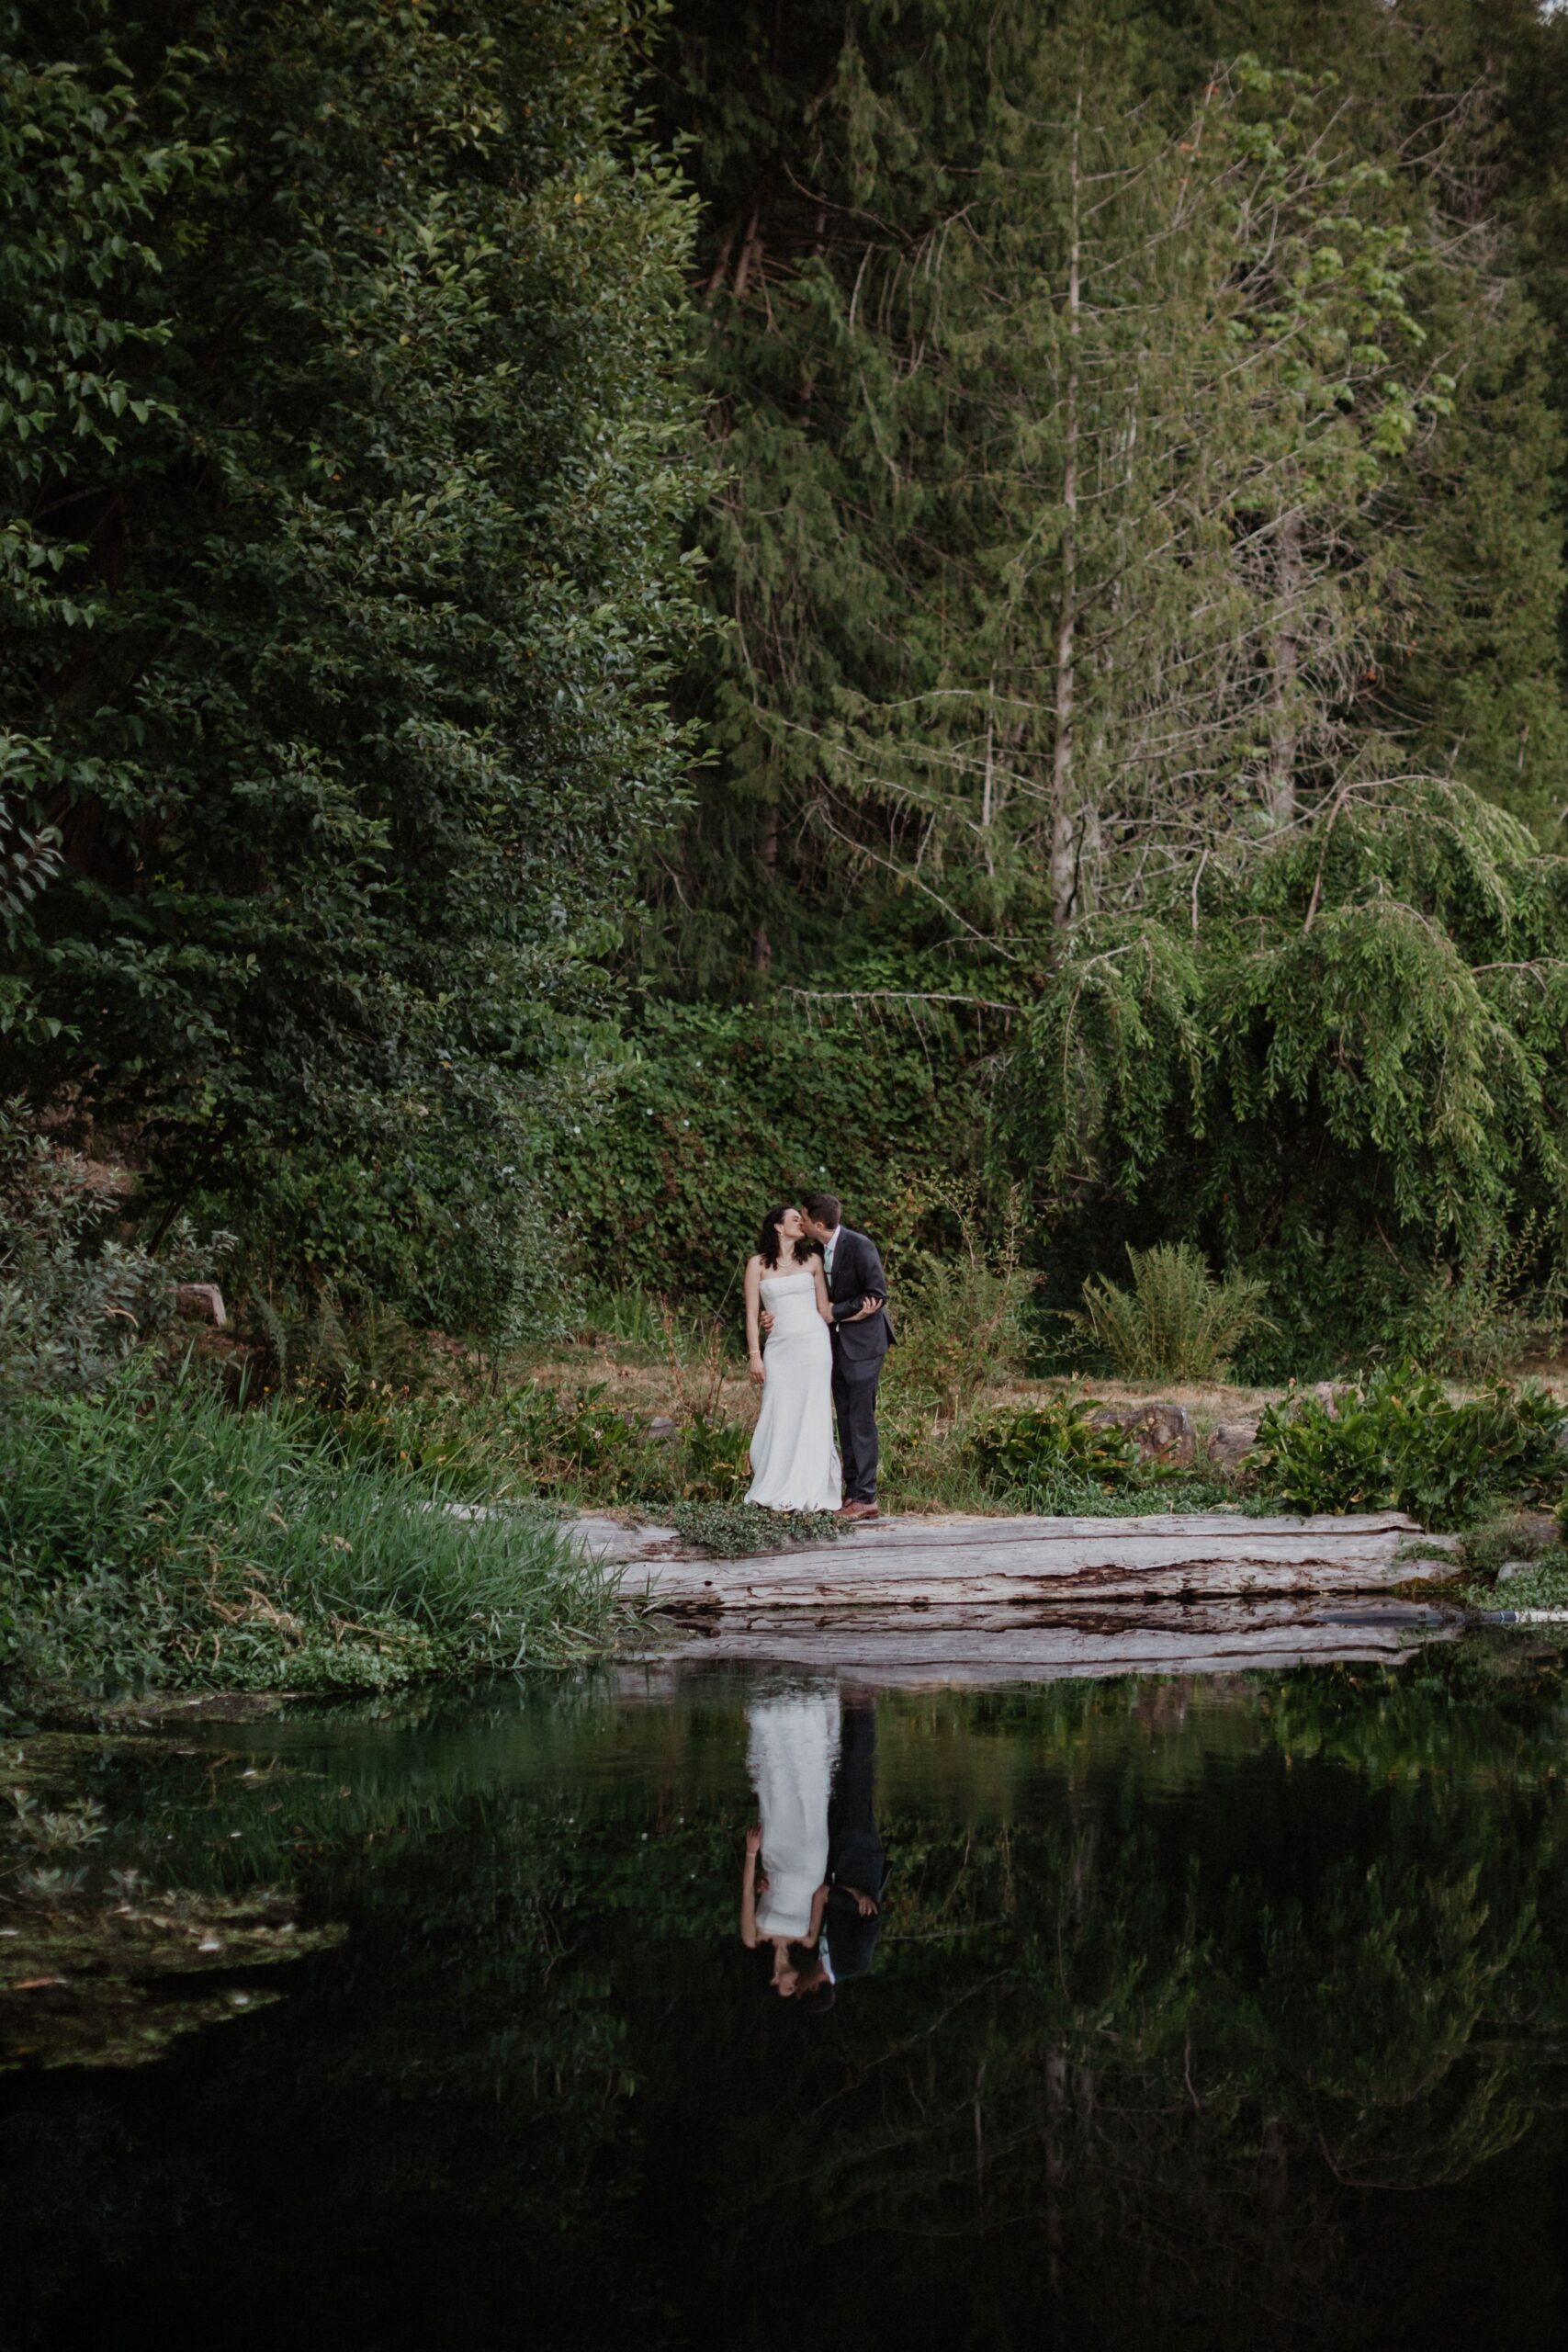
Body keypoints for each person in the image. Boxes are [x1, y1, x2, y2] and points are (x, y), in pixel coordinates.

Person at [743, 1203, 879, 1513]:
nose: (801, 1223)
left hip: (815, 1346)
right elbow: (751, 1314)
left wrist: (859, 1314)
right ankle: (775, 1481)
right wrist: (755, 1355)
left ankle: (812, 1485)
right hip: (780, 1348)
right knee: (778, 1409)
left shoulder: (813, 1260)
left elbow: (825, 1310)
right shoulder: (757, 1265)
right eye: (795, 1219)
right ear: (778, 1226)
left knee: (813, 1413)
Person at [789, 1681, 889, 2012]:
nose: (796, 1983)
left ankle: (849, 1708)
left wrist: (832, 1893)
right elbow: (869, 1917)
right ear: (810, 1989)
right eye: (798, 1989)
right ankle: (864, 1705)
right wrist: (843, 1894)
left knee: (839, 1780)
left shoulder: (814, 1951)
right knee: (858, 1780)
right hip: (859, 1858)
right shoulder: (853, 1964)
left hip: (835, 1855)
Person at [739, 1682, 841, 1996]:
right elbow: (820, 1895)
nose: (794, 1987)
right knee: (810, 1795)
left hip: (776, 1858)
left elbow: (747, 1895)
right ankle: (810, 1714)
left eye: (786, 1989)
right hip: (810, 1863)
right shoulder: (807, 1940)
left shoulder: (753, 1938)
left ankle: (774, 1716)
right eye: (797, 1989)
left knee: (778, 1794)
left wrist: (752, 1855)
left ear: (774, 1981)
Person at [800, 1191, 894, 1523]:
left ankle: (866, 1498)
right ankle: (853, 1492)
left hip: (864, 1346)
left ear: (818, 1224)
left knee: (860, 1419)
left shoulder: (859, 1246)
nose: (801, 1222)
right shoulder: (814, 1251)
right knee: (845, 1418)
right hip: (835, 1346)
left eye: (804, 1218)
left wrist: (835, 1312)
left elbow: (876, 1296)